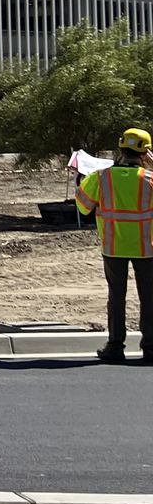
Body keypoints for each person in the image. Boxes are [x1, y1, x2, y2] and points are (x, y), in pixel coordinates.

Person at [74, 127, 153, 364]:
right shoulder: (150, 179)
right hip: (146, 248)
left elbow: (83, 206)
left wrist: (81, 180)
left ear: (120, 148)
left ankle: (115, 347)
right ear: (145, 152)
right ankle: (150, 348)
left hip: (113, 247)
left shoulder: (100, 177)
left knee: (116, 297)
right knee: (149, 298)